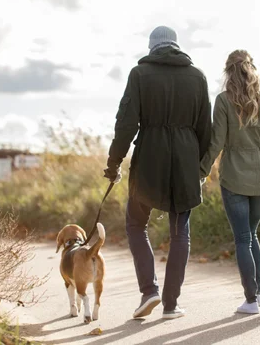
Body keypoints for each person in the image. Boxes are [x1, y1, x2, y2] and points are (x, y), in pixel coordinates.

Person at [104, 26, 212, 320]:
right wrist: (197, 167)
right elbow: (206, 130)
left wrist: (114, 163)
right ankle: (171, 304)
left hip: (149, 158)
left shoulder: (140, 75)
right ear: (176, 45)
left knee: (136, 224)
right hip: (185, 163)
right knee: (180, 233)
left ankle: (148, 291)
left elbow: (125, 124)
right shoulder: (198, 77)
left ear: (152, 47)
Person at [200, 50, 260, 314]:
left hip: (235, 177)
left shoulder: (223, 101)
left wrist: (201, 170)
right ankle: (258, 294)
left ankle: (251, 299)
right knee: (251, 234)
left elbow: (216, 142)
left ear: (228, 72)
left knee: (243, 237)